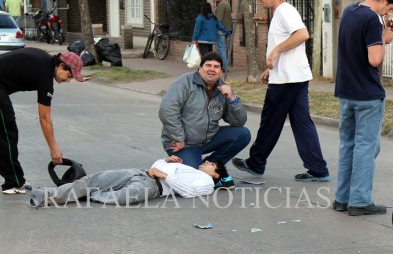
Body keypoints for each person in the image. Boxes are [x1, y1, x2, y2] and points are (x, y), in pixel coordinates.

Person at [232, 0, 330, 182]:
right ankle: (318, 169)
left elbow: (302, 34)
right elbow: (291, 43)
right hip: (292, 76)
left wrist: (275, 51)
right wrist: (271, 69)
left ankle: (256, 163)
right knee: (302, 124)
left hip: (288, 80)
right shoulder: (279, 13)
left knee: (270, 121)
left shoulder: (285, 10)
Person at [333, 0, 393, 216]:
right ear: (385, 0)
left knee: (348, 146)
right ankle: (360, 201)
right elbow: (374, 59)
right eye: (390, 8)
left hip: (346, 90)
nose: (387, 12)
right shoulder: (372, 18)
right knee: (366, 148)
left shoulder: (350, 10)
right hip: (367, 94)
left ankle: (342, 198)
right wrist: (385, 39)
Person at [159, 52, 250, 188]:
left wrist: (232, 99)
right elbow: (167, 110)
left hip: (208, 139)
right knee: (192, 180)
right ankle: (202, 170)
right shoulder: (185, 83)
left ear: (220, 71)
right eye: (208, 65)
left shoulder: (223, 89)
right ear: (199, 68)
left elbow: (238, 122)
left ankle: (210, 165)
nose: (212, 69)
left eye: (216, 66)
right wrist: (179, 138)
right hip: (183, 143)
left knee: (243, 134)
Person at [0, 49, 84, 194]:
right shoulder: (45, 74)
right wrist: (54, 149)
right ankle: (13, 182)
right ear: (61, 66)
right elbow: (45, 119)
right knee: (7, 132)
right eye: (69, 75)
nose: (68, 80)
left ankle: (14, 179)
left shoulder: (45, 62)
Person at [29, 156, 226, 207]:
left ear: (216, 174)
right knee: (94, 179)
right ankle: (45, 195)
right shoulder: (189, 168)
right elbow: (155, 166)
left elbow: (188, 192)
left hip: (152, 186)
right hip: (140, 172)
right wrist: (164, 162)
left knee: (120, 198)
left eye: (211, 164)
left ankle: (86, 194)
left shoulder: (206, 183)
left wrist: (164, 175)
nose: (206, 162)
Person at [214, 0, 233, 71]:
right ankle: (219, 65)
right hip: (226, 29)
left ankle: (225, 66)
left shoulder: (221, 5)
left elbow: (219, 19)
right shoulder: (227, 4)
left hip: (221, 29)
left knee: (221, 48)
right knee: (220, 48)